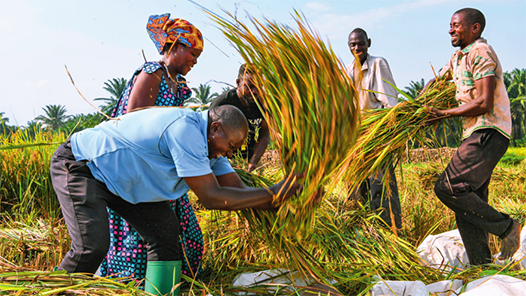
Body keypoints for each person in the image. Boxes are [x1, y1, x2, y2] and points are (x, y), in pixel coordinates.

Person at [50, 105, 303, 295]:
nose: (230, 153)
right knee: (91, 246)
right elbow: (212, 197)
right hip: (83, 165)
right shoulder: (186, 130)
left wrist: (287, 198)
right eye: (231, 145)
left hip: (123, 181)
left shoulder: (213, 148)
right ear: (216, 128)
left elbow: (238, 191)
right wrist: (276, 194)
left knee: (165, 234)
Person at [99, 14, 204, 283]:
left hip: (161, 172)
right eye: (193, 53)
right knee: (142, 238)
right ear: (177, 46)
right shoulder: (152, 73)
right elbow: (132, 125)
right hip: (139, 172)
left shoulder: (179, 86)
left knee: (186, 233)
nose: (195, 61)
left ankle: (175, 281)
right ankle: (133, 284)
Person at [425, 8, 521, 265]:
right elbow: (438, 79)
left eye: (456, 25)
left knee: (448, 187)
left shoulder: (480, 52)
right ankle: (482, 266)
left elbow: (484, 101)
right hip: (475, 132)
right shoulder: (459, 57)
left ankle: (507, 227)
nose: (451, 29)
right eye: (450, 25)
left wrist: (443, 113)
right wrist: (417, 105)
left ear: (475, 28)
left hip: (488, 129)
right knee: (468, 201)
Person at [345, 28, 402, 230]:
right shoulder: (347, 70)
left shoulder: (378, 64)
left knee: (381, 188)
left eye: (361, 43)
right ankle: (362, 237)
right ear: (349, 47)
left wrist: (386, 133)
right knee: (356, 188)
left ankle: (390, 234)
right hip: (356, 137)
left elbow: (390, 103)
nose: (357, 48)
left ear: (368, 42)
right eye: (353, 45)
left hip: (377, 133)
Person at [210, 64, 270, 172]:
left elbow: (264, 135)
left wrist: (254, 161)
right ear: (238, 83)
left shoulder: (264, 104)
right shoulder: (223, 103)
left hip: (250, 159)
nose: (255, 92)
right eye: (249, 87)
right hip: (224, 159)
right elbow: (208, 135)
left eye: (259, 87)